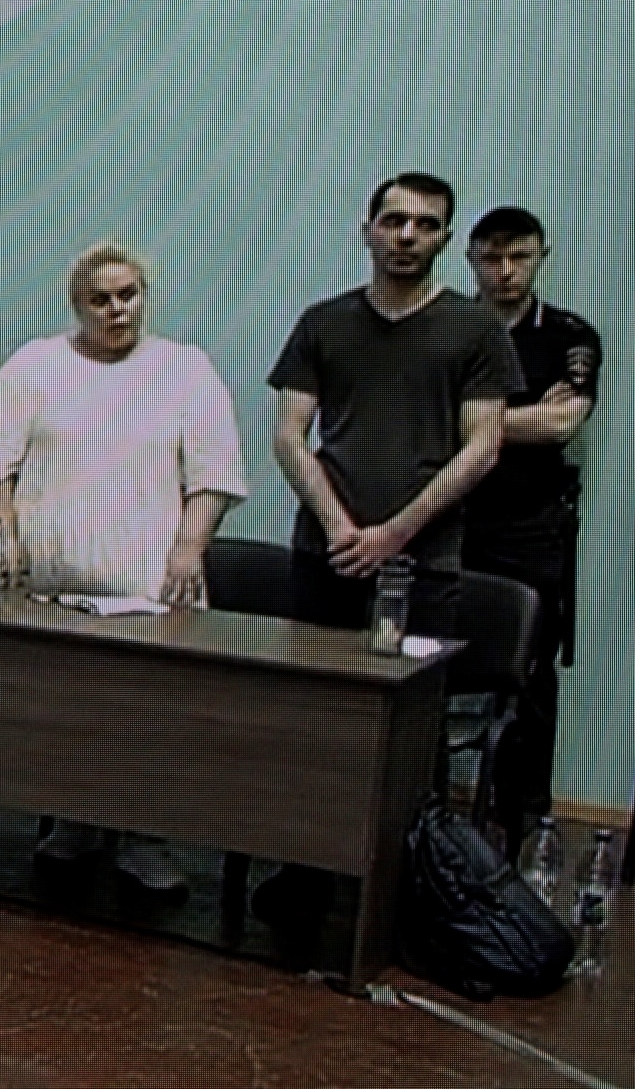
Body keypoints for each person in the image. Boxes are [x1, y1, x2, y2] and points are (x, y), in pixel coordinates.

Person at [262, 171, 523, 928]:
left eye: (426, 224)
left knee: (413, 734)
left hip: (422, 566)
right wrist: (338, 526)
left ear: (445, 238)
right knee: (314, 716)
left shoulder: (475, 330)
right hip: (325, 555)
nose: (408, 236)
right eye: (395, 220)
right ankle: (305, 871)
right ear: (368, 228)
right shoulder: (323, 323)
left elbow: (482, 447)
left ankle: (413, 893)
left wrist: (395, 532)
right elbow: (290, 436)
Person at [0, 240, 247, 893]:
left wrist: (190, 547)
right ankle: (74, 820)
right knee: (65, 709)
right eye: (100, 299)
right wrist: (3, 535)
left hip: (151, 582)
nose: (117, 309)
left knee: (150, 717)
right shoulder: (34, 365)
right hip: (53, 584)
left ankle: (146, 838)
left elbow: (212, 474)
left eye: (128, 295)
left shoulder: (184, 368)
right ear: (77, 305)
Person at [463, 206, 602, 826]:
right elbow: (421, 414)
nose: (505, 270)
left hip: (530, 526)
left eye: (519, 256)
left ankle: (522, 819)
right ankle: (420, 812)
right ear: (471, 259)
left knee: (530, 673)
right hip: (448, 514)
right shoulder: (447, 325)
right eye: (492, 257)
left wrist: (470, 421)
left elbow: (561, 422)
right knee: (421, 658)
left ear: (542, 257)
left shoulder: (569, 336)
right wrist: (524, 419)